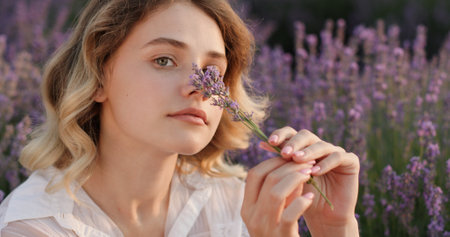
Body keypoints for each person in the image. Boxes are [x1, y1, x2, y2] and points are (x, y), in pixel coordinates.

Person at [0, 0, 360, 236]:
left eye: (211, 71)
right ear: (98, 77)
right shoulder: (34, 226)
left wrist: (336, 227)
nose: (201, 89)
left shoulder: (237, 206)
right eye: (164, 60)